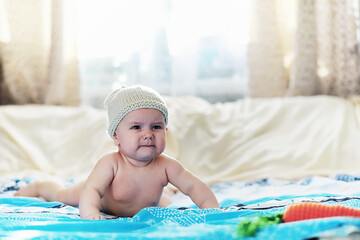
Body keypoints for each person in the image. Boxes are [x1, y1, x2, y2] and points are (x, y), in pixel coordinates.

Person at [15, 85, 219, 219]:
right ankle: (42, 186)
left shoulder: (167, 166)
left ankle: (162, 193)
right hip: (101, 199)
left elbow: (194, 186)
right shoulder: (111, 163)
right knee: (63, 195)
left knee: (163, 204)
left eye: (156, 127)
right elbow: (92, 191)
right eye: (136, 127)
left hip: (144, 202)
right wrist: (91, 214)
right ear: (116, 137)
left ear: (166, 131)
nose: (148, 134)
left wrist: (211, 210)